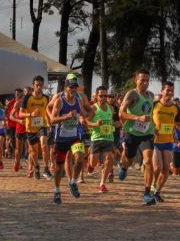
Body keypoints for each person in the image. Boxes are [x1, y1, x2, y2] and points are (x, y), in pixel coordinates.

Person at [119, 69, 156, 205]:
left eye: (147, 80)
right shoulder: (132, 94)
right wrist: (137, 117)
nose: (145, 83)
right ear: (136, 80)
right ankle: (123, 167)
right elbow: (121, 114)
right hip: (132, 133)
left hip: (147, 133)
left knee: (148, 161)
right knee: (129, 159)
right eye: (142, 80)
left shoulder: (151, 96)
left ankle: (147, 193)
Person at [50, 75, 86, 204]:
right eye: (71, 87)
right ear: (65, 88)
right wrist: (66, 117)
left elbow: (82, 114)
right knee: (59, 168)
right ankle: (57, 190)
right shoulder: (60, 101)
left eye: (75, 87)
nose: (73, 89)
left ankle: (73, 182)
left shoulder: (78, 99)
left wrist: (83, 119)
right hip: (61, 139)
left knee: (80, 158)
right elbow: (52, 119)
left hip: (74, 137)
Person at [152, 81, 180, 202]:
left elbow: (178, 124)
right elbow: (147, 120)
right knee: (157, 168)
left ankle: (157, 191)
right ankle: (152, 185)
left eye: (171, 90)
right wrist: (152, 129)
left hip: (168, 141)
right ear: (162, 91)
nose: (170, 93)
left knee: (166, 170)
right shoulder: (154, 105)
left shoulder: (175, 108)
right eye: (167, 90)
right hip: (155, 141)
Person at [19, 75, 53, 180]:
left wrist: (50, 123)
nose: (39, 87)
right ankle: (36, 167)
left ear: (43, 86)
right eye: (37, 85)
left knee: (44, 145)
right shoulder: (27, 97)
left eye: (41, 85)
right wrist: (30, 115)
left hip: (42, 126)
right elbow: (20, 114)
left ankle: (46, 169)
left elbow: (48, 112)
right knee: (33, 152)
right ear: (33, 86)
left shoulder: (46, 98)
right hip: (30, 128)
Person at [86, 86, 115, 193]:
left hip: (108, 138)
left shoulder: (111, 109)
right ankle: (90, 166)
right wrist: (95, 124)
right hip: (96, 138)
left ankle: (102, 184)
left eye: (105, 95)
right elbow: (86, 121)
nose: (103, 97)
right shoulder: (93, 108)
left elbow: (112, 121)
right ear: (97, 96)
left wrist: (115, 124)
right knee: (93, 162)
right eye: (101, 95)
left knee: (110, 159)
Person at [9, 88, 27, 172]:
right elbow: (10, 116)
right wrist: (19, 120)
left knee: (31, 147)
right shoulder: (18, 103)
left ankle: (31, 167)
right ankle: (17, 161)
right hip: (20, 127)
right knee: (18, 148)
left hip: (30, 128)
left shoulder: (33, 102)